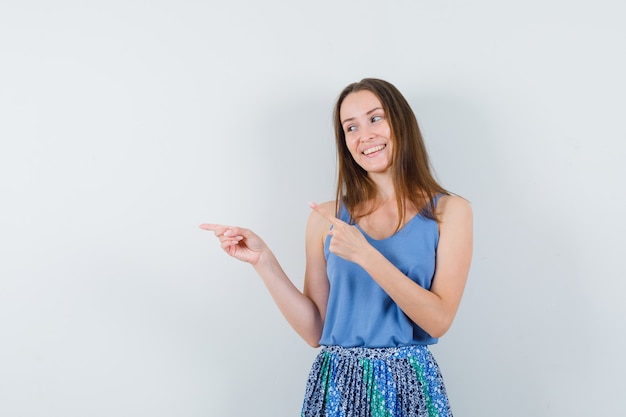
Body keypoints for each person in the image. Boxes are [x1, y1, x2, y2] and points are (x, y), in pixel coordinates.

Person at [200, 78, 473, 417]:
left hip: (410, 385)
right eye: (351, 127)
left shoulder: (449, 212)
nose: (365, 135)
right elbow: (316, 330)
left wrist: (367, 255)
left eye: (375, 118)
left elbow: (439, 321)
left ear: (400, 122)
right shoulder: (326, 217)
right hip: (337, 386)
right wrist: (264, 261)